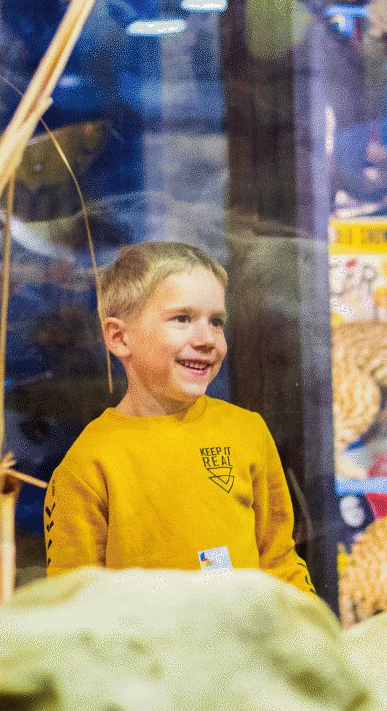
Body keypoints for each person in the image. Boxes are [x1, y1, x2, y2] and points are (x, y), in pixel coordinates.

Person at [44, 242, 316, 594]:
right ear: (119, 337)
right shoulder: (87, 464)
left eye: (216, 322)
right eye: (182, 319)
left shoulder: (247, 431)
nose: (206, 339)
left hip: (244, 646)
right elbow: (71, 603)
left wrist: (310, 634)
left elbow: (279, 560)